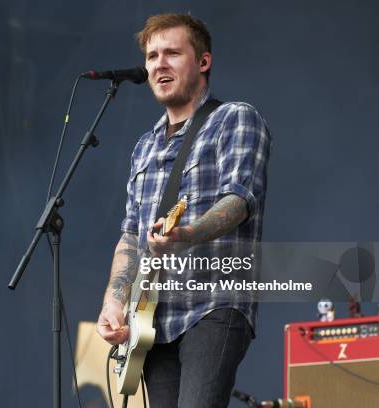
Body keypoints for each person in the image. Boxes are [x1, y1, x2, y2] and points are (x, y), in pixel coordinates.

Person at [96, 13, 271, 408]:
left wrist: (186, 234)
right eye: (152, 55)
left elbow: (239, 201)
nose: (159, 63)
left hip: (213, 303)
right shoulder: (144, 146)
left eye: (172, 53)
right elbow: (130, 233)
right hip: (152, 318)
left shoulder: (235, 118)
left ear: (203, 62)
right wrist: (113, 301)